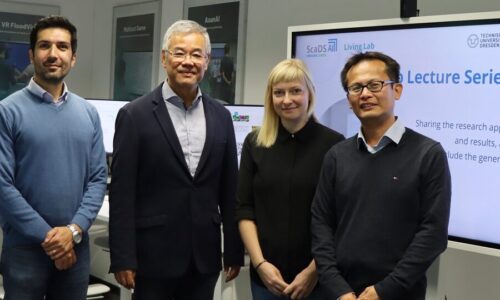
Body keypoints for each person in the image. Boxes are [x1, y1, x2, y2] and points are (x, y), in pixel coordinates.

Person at [108, 20, 244, 300]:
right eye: (179, 53)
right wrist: (123, 257)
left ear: (207, 61)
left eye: (197, 54)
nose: (188, 61)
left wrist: (233, 249)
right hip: (153, 259)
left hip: (204, 258)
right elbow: (122, 194)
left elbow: (230, 190)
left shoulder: (221, 116)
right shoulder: (135, 115)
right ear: (164, 58)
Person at [311, 51, 451, 300]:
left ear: (396, 90)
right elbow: (321, 224)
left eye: (375, 85)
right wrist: (338, 289)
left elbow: (433, 234)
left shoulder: (427, 154)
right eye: (356, 88)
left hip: (399, 294)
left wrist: (383, 291)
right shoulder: (337, 155)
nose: (365, 94)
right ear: (348, 98)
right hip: (341, 294)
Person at [0, 16, 108, 299]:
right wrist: (52, 240)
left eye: (62, 46)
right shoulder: (7, 112)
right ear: (31, 55)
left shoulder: (88, 113)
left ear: (73, 58)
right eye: (44, 46)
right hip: (25, 250)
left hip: (76, 248)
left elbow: (98, 179)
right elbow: (2, 185)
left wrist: (72, 232)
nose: (53, 54)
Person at [236, 59, 345, 300]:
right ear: (270, 97)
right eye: (279, 92)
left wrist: (313, 272)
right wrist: (260, 264)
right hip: (266, 280)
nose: (287, 99)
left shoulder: (335, 145)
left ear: (310, 94)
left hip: (318, 282)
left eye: (295, 90)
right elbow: (244, 209)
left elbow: (341, 217)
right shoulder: (254, 144)